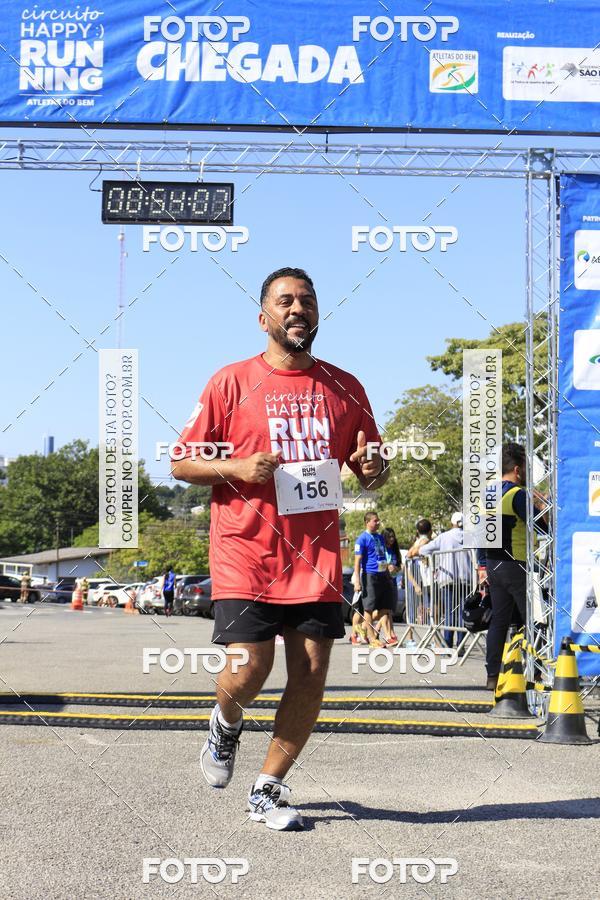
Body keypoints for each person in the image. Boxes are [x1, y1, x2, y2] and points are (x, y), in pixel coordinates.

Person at [173, 266, 388, 831]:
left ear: (317, 314)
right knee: (250, 666)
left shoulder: (346, 387)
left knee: (312, 671)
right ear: (263, 316)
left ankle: (268, 788)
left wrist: (372, 468)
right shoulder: (231, 382)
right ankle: (225, 722)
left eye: (307, 301)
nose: (298, 309)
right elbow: (180, 461)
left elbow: (372, 472)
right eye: (285, 301)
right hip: (247, 550)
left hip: (316, 557)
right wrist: (236, 467)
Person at [483, 442, 548, 691]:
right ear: (518, 470)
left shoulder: (488, 494)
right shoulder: (517, 494)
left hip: (493, 563)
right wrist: (543, 508)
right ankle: (535, 672)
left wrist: (482, 566)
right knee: (531, 619)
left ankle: (492, 676)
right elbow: (541, 527)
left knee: (499, 620)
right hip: (517, 562)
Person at [418, 512, 473, 649]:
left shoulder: (444, 537)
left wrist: (434, 559)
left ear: (452, 523)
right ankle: (461, 645)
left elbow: (423, 550)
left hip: (447, 578)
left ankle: (447, 644)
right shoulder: (470, 537)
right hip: (466, 579)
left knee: (449, 611)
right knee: (462, 611)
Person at [353, 512, 397, 647]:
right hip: (369, 575)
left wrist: (388, 574)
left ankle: (363, 627)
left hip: (383, 575)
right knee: (368, 609)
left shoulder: (379, 537)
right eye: (375, 521)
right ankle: (372, 639)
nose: (378, 523)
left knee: (386, 607)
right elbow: (357, 561)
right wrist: (357, 581)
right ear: (367, 522)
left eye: (378, 521)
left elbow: (382, 555)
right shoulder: (362, 538)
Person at [405, 518, 434, 647]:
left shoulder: (423, 542)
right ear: (431, 530)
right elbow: (408, 558)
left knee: (430, 609)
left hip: (425, 580)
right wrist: (415, 584)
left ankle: (432, 638)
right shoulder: (423, 542)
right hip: (416, 580)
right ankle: (410, 639)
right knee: (412, 609)